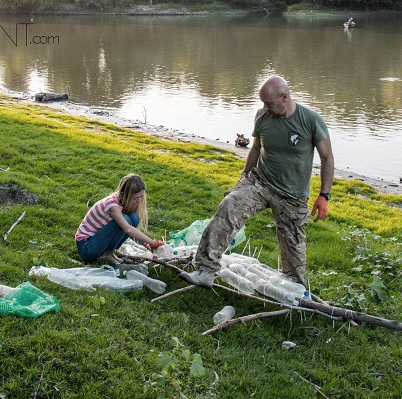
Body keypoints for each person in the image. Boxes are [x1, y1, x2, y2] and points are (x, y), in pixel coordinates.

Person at [180, 75, 334, 289]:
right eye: (263, 103)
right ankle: (205, 270)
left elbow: (326, 158)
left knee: (294, 248)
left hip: (293, 195)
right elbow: (255, 149)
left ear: (284, 97)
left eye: (269, 103)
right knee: (230, 205)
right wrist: (243, 180)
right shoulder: (262, 116)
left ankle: (293, 289)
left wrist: (324, 196)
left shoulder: (310, 120)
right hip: (260, 182)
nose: (265, 107)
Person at [76, 174, 164, 264]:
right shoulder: (112, 205)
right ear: (125, 195)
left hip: (96, 241)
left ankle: (109, 252)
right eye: (136, 198)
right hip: (86, 248)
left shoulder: (122, 202)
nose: (139, 201)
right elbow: (128, 229)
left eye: (141, 196)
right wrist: (153, 242)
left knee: (134, 218)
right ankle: (106, 254)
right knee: (126, 220)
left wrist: (147, 245)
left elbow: (130, 231)